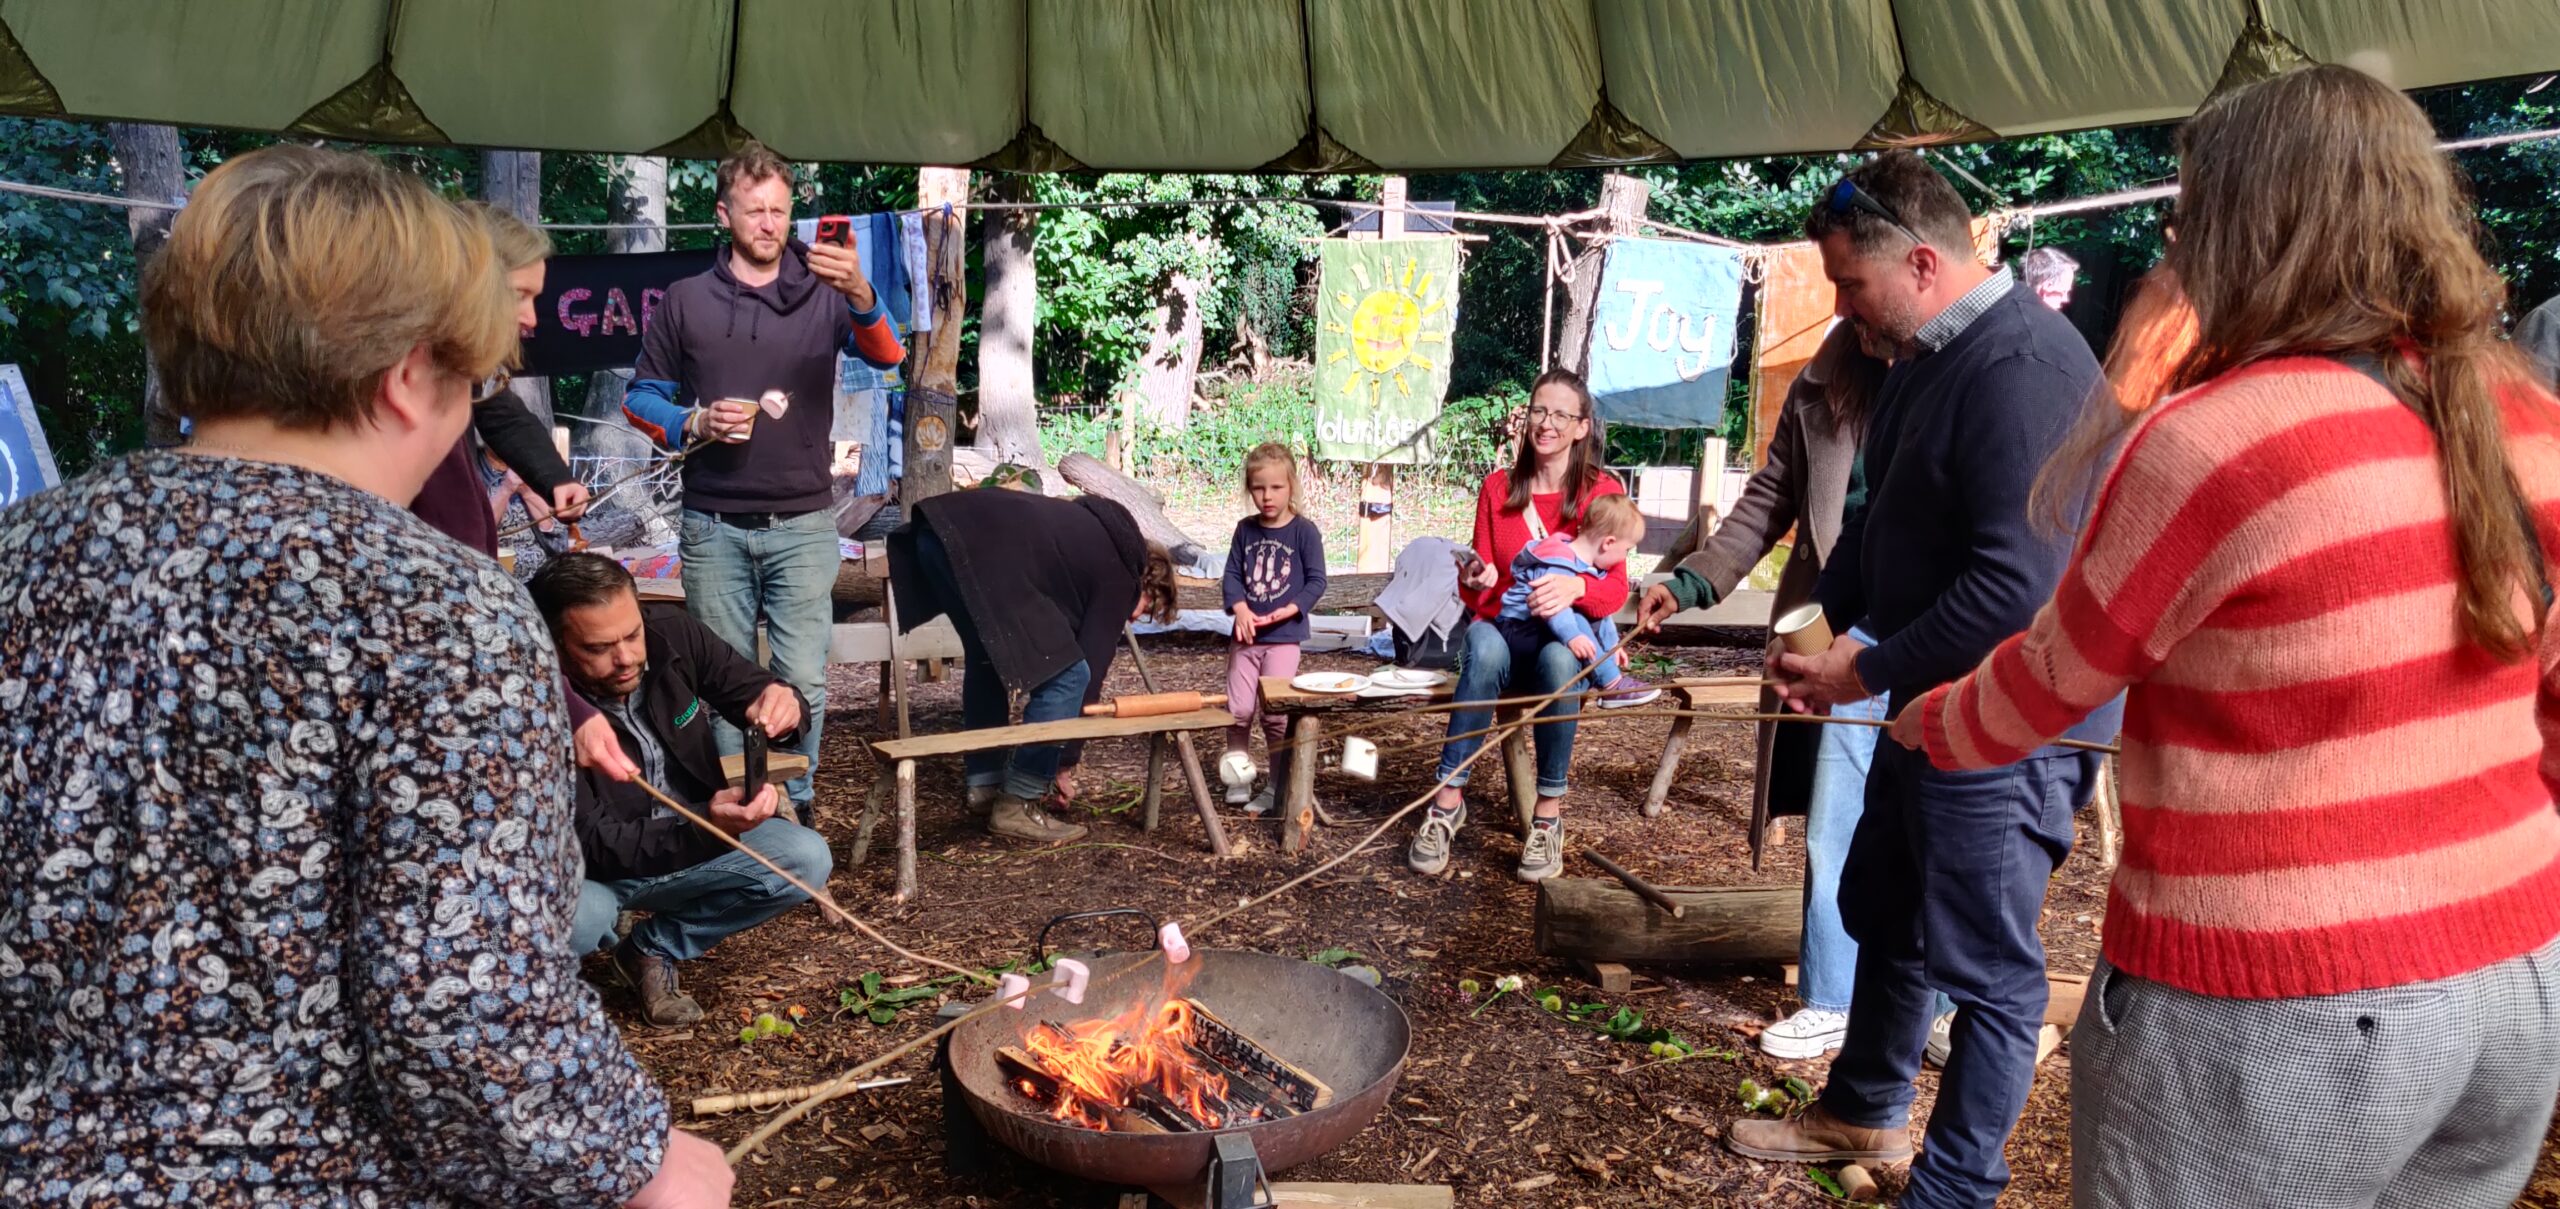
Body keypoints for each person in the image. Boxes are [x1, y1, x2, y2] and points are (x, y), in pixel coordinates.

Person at [0, 145, 728, 1207]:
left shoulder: (22, 555)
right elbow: (465, 1008)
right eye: (472, 372)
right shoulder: (440, 612)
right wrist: (638, 1165)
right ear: (405, 377)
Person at [1893, 64, 2560, 1208]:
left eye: (2189, 206)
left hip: (2282, 999)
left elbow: (2057, 678)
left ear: (2241, 222)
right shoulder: (2526, 413)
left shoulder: (2223, 438)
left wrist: (1930, 723)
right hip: (2516, 973)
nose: (2172, 234)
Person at [1724, 151, 2118, 1209]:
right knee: (1885, 906)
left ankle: (1954, 1186)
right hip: (1931, 703)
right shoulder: (1918, 361)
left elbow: (2018, 587)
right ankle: (1863, 1105)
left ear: (1923, 261)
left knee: (1987, 968)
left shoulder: (2022, 367)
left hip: (2016, 725)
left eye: (1850, 284)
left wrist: (1870, 665)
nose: (1842, 308)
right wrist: (1825, 633)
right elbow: (1871, 529)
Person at [1636, 320, 1901, 1060]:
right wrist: (1688, 581)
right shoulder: (1825, 380)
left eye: (1852, 282)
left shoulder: (1951, 368)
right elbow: (1767, 500)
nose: (1845, 299)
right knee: (1835, 815)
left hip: (1930, 625)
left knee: (1928, 817)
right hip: (1832, 625)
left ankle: (1937, 1003)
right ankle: (1832, 998)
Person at [621, 140, 906, 823]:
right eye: (755, 211)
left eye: (780, 211)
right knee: (724, 682)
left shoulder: (826, 290)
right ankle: (739, 805)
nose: (770, 224)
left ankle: (792, 804)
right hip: (712, 523)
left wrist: (863, 293)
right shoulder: (686, 301)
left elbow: (891, 356)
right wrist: (693, 423)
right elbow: (640, 398)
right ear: (725, 214)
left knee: (802, 676)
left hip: (806, 522)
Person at [530, 553, 830, 1028]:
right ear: (555, 643)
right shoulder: (534, 699)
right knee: (576, 920)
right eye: (598, 647)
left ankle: (650, 949)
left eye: (632, 635)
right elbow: (594, 843)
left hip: (693, 837)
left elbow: (753, 688)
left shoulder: (672, 633)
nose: (626, 657)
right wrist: (708, 828)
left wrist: (783, 705)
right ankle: (545, 1012)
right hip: (597, 869)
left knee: (805, 857)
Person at [409, 201, 640, 784]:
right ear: (470, 287)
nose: (534, 319)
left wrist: (555, 477)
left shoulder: (460, 372)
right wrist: (570, 709)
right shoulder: (418, 393)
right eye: (520, 295)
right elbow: (464, 578)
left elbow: (501, 410)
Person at [1407, 368, 1632, 883]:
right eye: (1538, 411)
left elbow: (1616, 589)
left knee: (1560, 657)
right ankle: (1447, 803)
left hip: (1559, 642)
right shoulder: (1498, 489)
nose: (1545, 424)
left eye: (1559, 415)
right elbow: (1481, 590)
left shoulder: (1603, 490)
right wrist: (1475, 576)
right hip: (1502, 638)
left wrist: (1578, 589)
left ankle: (1548, 815)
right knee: (1481, 648)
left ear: (1581, 427)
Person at [887, 488, 1179, 842]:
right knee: (1070, 676)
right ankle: (1018, 802)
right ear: (1147, 583)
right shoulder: (1121, 571)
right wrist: (1064, 760)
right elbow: (1090, 668)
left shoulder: (1088, 536)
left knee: (987, 658)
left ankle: (985, 784)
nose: (1133, 618)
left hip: (936, 533)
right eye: (1145, 609)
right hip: (982, 549)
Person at [1221, 441, 1327, 815]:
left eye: (1276, 487)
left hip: (1283, 640)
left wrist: (1287, 611)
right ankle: (1238, 778)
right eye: (1258, 487)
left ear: (1292, 486)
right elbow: (1232, 575)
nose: (1267, 496)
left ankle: (1278, 785)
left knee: (1276, 714)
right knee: (1238, 710)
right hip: (1246, 639)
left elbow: (1316, 581)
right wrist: (1240, 609)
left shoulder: (1303, 532)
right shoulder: (1245, 530)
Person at [1495, 492, 1658, 706]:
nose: (1624, 557)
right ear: (1608, 543)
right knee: (1577, 620)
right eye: (1627, 550)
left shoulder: (1583, 563)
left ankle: (1605, 675)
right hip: (1518, 630)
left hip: (1542, 627)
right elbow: (1553, 606)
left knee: (1584, 611)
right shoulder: (1558, 562)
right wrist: (1572, 636)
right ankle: (1611, 686)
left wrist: (1612, 646)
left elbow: (1600, 615)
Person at [2020, 245, 2079, 312]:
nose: (2065, 299)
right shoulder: (2043, 321)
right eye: (2062, 292)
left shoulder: (2008, 306)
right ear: (2047, 286)